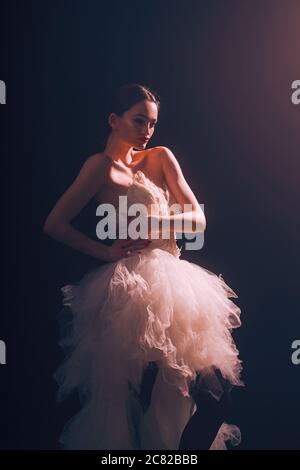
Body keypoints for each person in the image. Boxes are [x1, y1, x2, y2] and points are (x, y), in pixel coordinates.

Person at [43, 83, 243, 450]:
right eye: (139, 121)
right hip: (131, 292)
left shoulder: (161, 157)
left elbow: (197, 218)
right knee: (137, 402)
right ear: (114, 120)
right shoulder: (100, 167)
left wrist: (159, 227)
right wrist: (104, 252)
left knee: (212, 398)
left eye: (151, 123)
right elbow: (54, 224)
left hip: (174, 283)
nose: (147, 131)